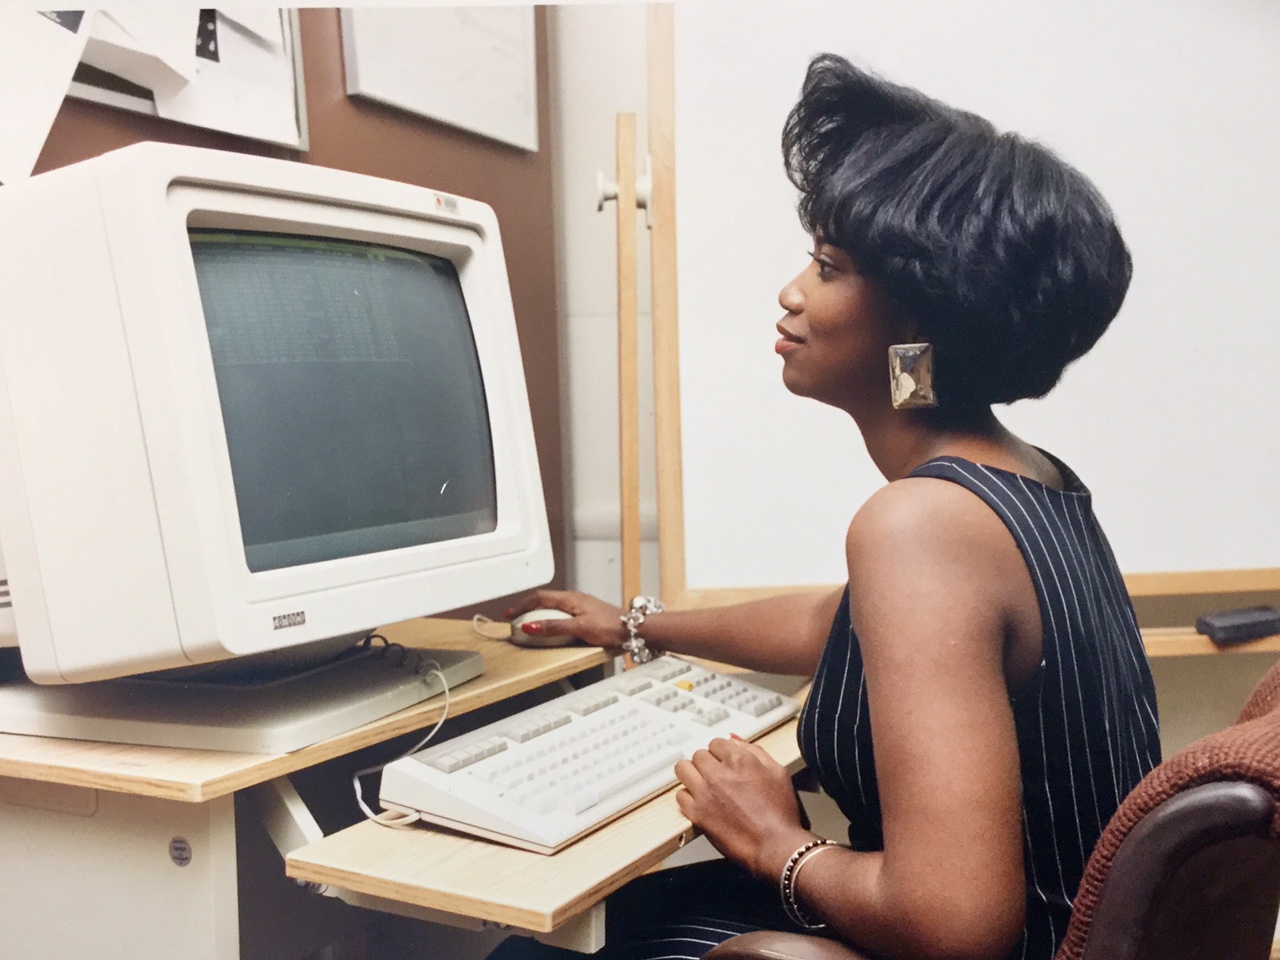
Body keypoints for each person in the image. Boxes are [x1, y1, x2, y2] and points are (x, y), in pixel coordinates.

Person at [494, 53, 1159, 960]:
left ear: (920, 326)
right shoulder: (1025, 481)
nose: (792, 291)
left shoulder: (923, 525)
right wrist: (639, 626)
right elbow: (841, 627)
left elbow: (956, 923)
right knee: (598, 926)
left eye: (829, 265)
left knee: (534, 946)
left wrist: (778, 844)